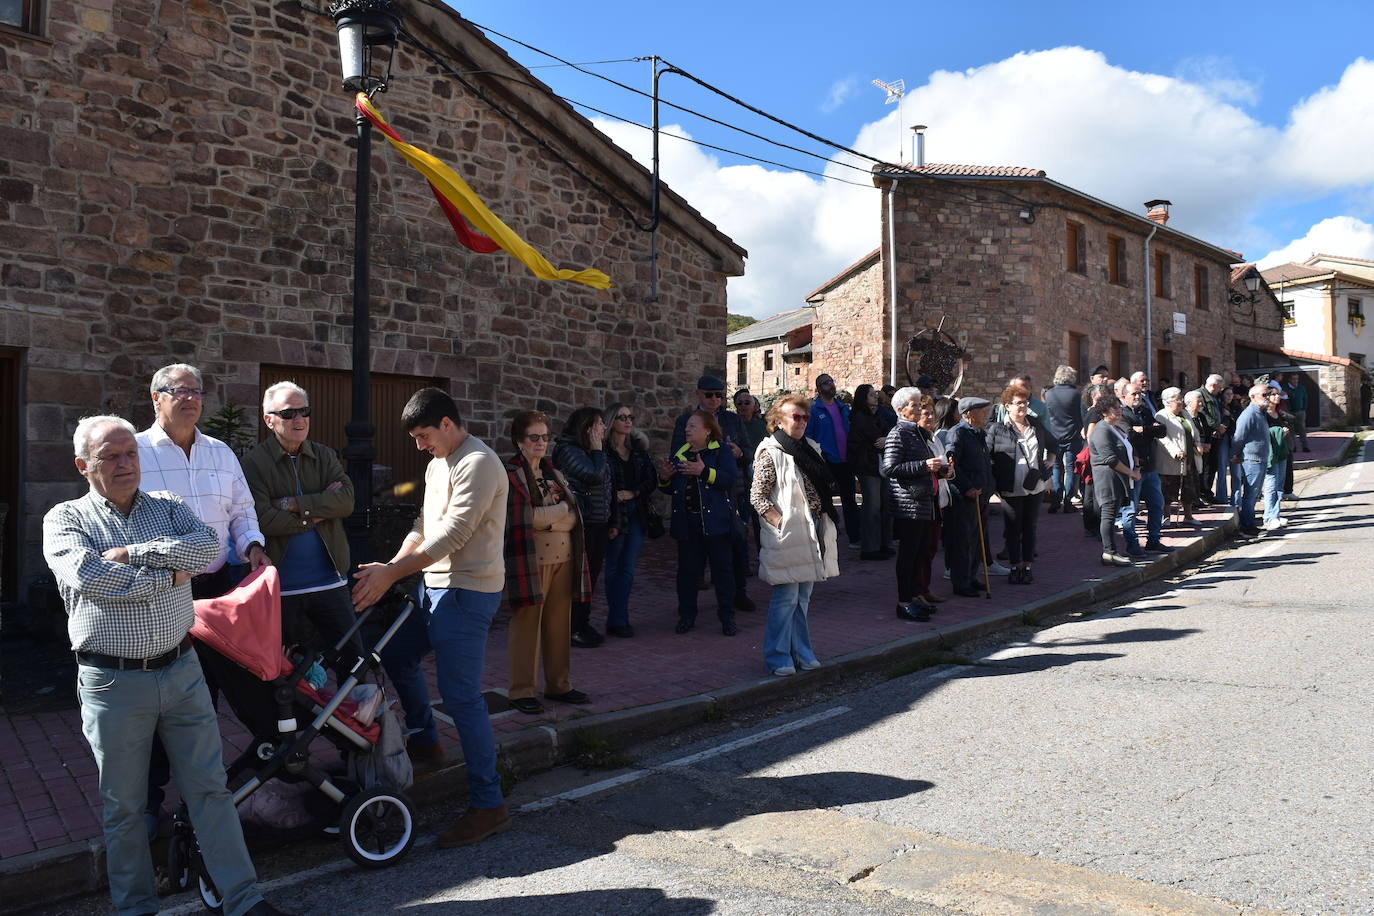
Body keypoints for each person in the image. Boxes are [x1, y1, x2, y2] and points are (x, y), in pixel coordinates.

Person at [44, 416, 290, 916]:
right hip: (114, 683)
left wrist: (137, 553)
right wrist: (171, 575)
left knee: (210, 791)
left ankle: (244, 901)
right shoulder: (65, 520)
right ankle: (136, 908)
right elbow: (92, 578)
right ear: (82, 466)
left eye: (130, 454)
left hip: (182, 672)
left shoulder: (168, 507)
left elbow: (207, 548)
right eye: (109, 457)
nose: (124, 464)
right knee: (127, 808)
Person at [354, 388, 510, 847]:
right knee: (397, 656)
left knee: (462, 699)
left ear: (447, 423)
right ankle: (426, 741)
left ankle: (489, 804)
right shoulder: (437, 463)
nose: (420, 445)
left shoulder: (478, 463)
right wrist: (391, 570)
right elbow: (424, 526)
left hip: (467, 592)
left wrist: (392, 573)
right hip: (433, 588)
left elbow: (455, 534)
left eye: (424, 435)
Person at [136, 364, 269, 828]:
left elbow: (242, 511)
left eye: (197, 391)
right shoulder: (133, 452)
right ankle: (150, 800)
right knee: (163, 698)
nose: (190, 398)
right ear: (156, 399)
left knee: (223, 689)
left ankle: (214, 792)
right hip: (161, 593)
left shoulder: (220, 453)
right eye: (179, 391)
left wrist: (252, 545)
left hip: (216, 591)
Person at [241, 382, 362, 679]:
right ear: (269, 419)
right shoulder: (253, 463)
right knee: (288, 676)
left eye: (304, 411)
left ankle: (355, 725)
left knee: (355, 667)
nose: (299, 419)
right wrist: (318, 511)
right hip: (282, 589)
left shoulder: (323, 455)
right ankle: (297, 727)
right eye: (288, 413)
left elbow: (346, 501)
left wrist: (292, 504)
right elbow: (262, 518)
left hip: (330, 583)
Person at [504, 410, 593, 714]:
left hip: (565, 559)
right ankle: (521, 690)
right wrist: (558, 514)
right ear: (519, 441)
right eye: (534, 437)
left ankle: (559, 685)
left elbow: (574, 515)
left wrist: (550, 518)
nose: (541, 443)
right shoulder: (509, 475)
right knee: (527, 627)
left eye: (545, 437)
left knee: (558, 625)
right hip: (530, 561)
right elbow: (521, 518)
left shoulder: (553, 472)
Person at [750, 395, 838, 676]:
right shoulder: (771, 451)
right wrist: (781, 523)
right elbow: (758, 496)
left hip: (812, 527)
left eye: (804, 417)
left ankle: (802, 652)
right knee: (786, 597)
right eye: (795, 417)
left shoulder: (810, 448)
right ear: (778, 421)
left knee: (802, 598)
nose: (801, 422)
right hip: (789, 533)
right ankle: (777, 657)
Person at [671, 375, 754, 613]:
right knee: (692, 557)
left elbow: (748, 452)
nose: (715, 400)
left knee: (736, 548)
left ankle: (738, 594)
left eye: (720, 395)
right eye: (710, 395)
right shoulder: (686, 421)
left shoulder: (732, 420)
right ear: (699, 394)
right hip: (696, 492)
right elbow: (677, 452)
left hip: (730, 491)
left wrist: (739, 453)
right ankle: (689, 605)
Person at [662, 409, 739, 635]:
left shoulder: (721, 451)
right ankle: (687, 615)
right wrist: (664, 479)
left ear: (707, 430)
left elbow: (728, 480)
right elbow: (669, 490)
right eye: (687, 425)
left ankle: (727, 618)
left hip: (716, 523)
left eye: (693, 426)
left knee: (722, 572)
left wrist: (704, 471)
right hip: (687, 524)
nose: (687, 429)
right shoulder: (679, 454)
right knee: (687, 573)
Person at [883, 389, 950, 616]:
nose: (920, 408)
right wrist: (924, 466)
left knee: (920, 553)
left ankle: (914, 596)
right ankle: (903, 603)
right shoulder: (898, 433)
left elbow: (925, 467)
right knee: (908, 555)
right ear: (901, 410)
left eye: (919, 404)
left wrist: (941, 471)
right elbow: (889, 468)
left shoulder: (918, 432)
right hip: (908, 504)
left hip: (924, 502)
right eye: (914, 405)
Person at [553, 407, 611, 649]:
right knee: (579, 578)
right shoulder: (569, 450)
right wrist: (598, 452)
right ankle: (573, 627)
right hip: (581, 524)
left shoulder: (589, 450)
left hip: (597, 522)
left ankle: (581, 622)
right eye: (599, 424)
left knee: (591, 576)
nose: (604, 428)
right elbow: (594, 475)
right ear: (588, 428)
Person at [986, 384, 1054, 584]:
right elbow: (988, 457)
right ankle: (1015, 566)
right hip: (1010, 487)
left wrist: (1050, 460)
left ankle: (1027, 566)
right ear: (1007, 406)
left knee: (1030, 527)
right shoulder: (996, 429)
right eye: (1018, 403)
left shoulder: (1035, 424)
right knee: (1013, 528)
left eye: (1025, 402)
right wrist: (993, 483)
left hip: (1035, 485)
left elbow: (1053, 443)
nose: (1022, 407)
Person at [602, 402, 657, 638]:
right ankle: (616, 618)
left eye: (630, 417)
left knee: (628, 566)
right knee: (613, 565)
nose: (627, 421)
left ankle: (618, 618)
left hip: (635, 512)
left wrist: (632, 493)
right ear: (611, 421)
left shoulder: (638, 450)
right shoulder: (603, 453)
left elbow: (650, 480)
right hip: (613, 514)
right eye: (622, 417)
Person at [804, 373, 861, 548]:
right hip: (827, 462)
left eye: (831, 381)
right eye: (825, 383)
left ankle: (854, 537)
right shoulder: (814, 410)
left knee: (850, 500)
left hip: (846, 461)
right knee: (826, 501)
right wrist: (819, 456)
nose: (830, 385)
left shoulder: (843, 408)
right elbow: (808, 437)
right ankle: (828, 538)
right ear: (819, 388)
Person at [945, 396, 994, 597]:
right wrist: (967, 488)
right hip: (965, 497)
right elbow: (952, 466)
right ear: (969, 414)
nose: (985, 415)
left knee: (976, 539)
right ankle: (961, 582)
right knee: (963, 540)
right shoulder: (957, 434)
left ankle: (971, 577)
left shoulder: (979, 434)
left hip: (980, 495)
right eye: (981, 411)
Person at [1089, 395, 1141, 565]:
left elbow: (1128, 449)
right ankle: (1109, 552)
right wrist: (1131, 473)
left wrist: (1136, 466)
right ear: (1104, 411)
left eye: (1119, 407)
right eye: (1114, 408)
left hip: (1120, 478)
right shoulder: (1101, 429)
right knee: (1109, 514)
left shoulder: (1115, 428)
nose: (1119, 410)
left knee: (1112, 513)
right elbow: (1110, 458)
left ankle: (1110, 552)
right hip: (1108, 478)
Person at [847, 383, 894, 560]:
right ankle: (870, 548)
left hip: (882, 464)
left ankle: (884, 543)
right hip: (868, 466)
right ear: (863, 398)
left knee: (885, 506)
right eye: (872, 394)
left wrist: (886, 439)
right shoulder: (860, 417)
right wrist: (885, 439)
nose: (876, 396)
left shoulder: (882, 413)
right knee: (872, 507)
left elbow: (892, 430)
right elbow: (874, 438)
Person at [1121, 387, 1170, 552]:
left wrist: (1144, 430)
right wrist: (1148, 430)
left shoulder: (1145, 410)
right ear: (1123, 396)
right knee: (1131, 509)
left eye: (1139, 393)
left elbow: (1162, 431)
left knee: (1157, 504)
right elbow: (1130, 436)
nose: (1137, 396)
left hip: (1149, 467)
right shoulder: (1122, 414)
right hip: (1133, 469)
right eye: (1133, 394)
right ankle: (1132, 544)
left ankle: (1154, 540)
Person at [1155, 388, 1203, 529]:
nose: (1181, 401)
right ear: (1168, 402)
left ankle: (1188, 516)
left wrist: (1198, 445)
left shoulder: (1185, 414)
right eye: (1177, 399)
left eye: (1181, 398)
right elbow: (1162, 438)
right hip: (1171, 460)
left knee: (1188, 489)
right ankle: (1166, 517)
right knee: (1169, 490)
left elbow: (1194, 432)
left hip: (1189, 458)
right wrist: (1175, 451)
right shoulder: (1161, 416)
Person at [1231, 384, 1272, 539]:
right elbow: (1238, 437)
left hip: (1260, 459)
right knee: (1250, 494)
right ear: (1253, 397)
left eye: (1268, 394)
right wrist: (1234, 454)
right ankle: (1246, 527)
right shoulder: (1249, 414)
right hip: (1251, 460)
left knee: (1254, 495)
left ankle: (1250, 525)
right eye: (1264, 395)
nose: (1267, 397)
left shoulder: (1260, 413)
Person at [1044, 365, 1084, 514]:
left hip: (1054, 435)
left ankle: (1055, 500)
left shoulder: (1049, 394)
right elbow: (1080, 416)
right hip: (1072, 436)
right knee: (1070, 469)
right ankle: (1068, 501)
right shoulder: (1075, 394)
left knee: (1055, 467)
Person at [1262, 390, 1294, 530]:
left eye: (1278, 394)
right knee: (1271, 486)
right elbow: (1263, 433)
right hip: (1270, 454)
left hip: (1281, 452)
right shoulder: (1263, 414)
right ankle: (1268, 517)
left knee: (1279, 486)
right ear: (1267, 397)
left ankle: (1276, 514)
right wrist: (1279, 431)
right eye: (1274, 394)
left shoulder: (1280, 413)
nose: (1277, 397)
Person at [1280, 373, 1310, 453]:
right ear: (1289, 380)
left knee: (1302, 429)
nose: (1295, 381)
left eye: (1297, 379)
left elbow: (1305, 398)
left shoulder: (1301, 387)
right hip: (1290, 413)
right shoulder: (1285, 388)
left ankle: (1305, 446)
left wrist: (1303, 408)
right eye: (1293, 379)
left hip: (1300, 412)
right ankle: (1293, 447)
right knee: (1291, 431)